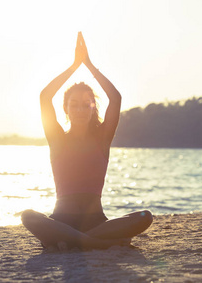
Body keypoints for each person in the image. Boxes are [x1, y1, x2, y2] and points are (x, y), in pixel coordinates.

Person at [21, 32, 153, 250]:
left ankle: (70, 241)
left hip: (96, 221)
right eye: (74, 104)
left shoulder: (102, 139)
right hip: (62, 220)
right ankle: (94, 242)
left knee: (144, 216)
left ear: (93, 108)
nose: (80, 109)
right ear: (66, 108)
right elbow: (45, 96)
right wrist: (74, 66)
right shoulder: (57, 139)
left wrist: (89, 65)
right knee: (28, 216)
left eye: (86, 104)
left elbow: (116, 98)